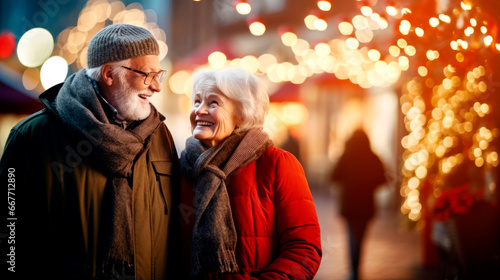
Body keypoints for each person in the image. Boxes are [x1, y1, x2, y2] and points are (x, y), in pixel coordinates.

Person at [0, 24, 181, 279]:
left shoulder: (160, 136)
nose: (157, 87)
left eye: (158, 75)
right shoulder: (32, 137)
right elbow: (10, 244)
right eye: (147, 75)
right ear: (109, 74)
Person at [178, 67, 322, 279]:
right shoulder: (181, 167)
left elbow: (303, 249)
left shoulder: (277, 164)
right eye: (197, 101)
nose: (199, 110)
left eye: (213, 103)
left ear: (242, 113)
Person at [330, 129, 387, 280]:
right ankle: (357, 267)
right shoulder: (373, 157)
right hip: (366, 203)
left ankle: (353, 269)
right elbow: (383, 179)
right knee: (361, 236)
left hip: (349, 203)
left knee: (351, 235)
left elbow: (333, 176)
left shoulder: (346, 156)